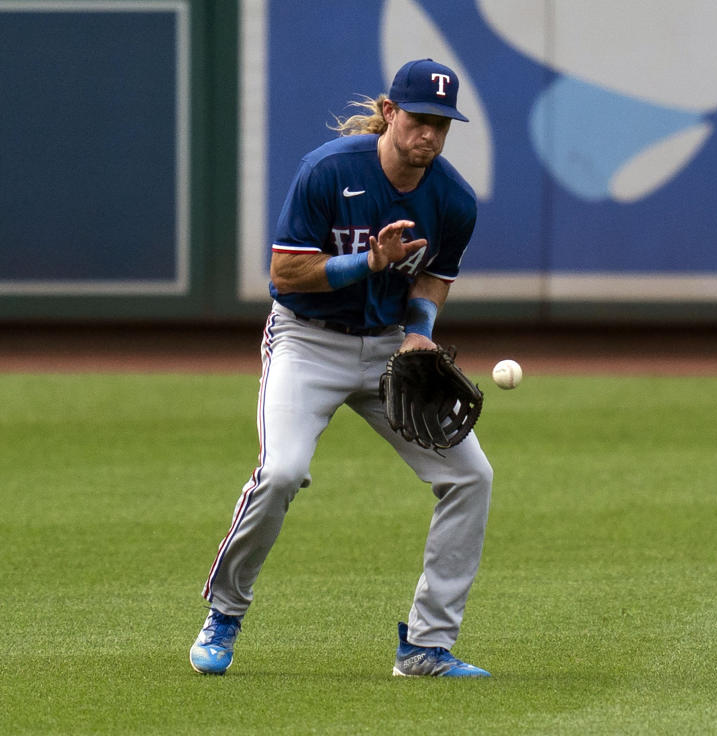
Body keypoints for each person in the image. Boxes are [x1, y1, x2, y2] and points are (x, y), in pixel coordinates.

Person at [189, 59, 493, 678]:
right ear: (389, 114)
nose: (430, 135)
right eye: (419, 120)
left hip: (388, 350)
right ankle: (224, 612)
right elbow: (284, 274)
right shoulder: (328, 171)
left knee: (471, 476)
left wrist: (418, 334)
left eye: (442, 124)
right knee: (281, 473)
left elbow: (436, 277)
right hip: (307, 341)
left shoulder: (454, 199)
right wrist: (367, 265)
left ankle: (426, 647)